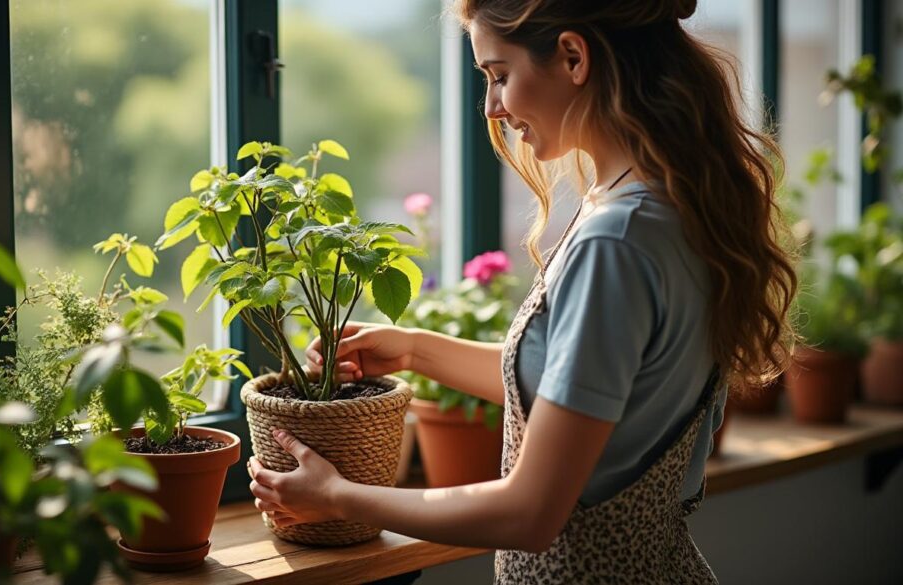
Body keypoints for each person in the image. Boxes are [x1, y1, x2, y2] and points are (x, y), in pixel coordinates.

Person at [249, 0, 797, 582]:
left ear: (572, 56)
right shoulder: (672, 207)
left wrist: (338, 496)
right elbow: (581, 395)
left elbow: (530, 512)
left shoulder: (617, 241)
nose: (491, 107)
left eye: (499, 75)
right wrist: (416, 350)